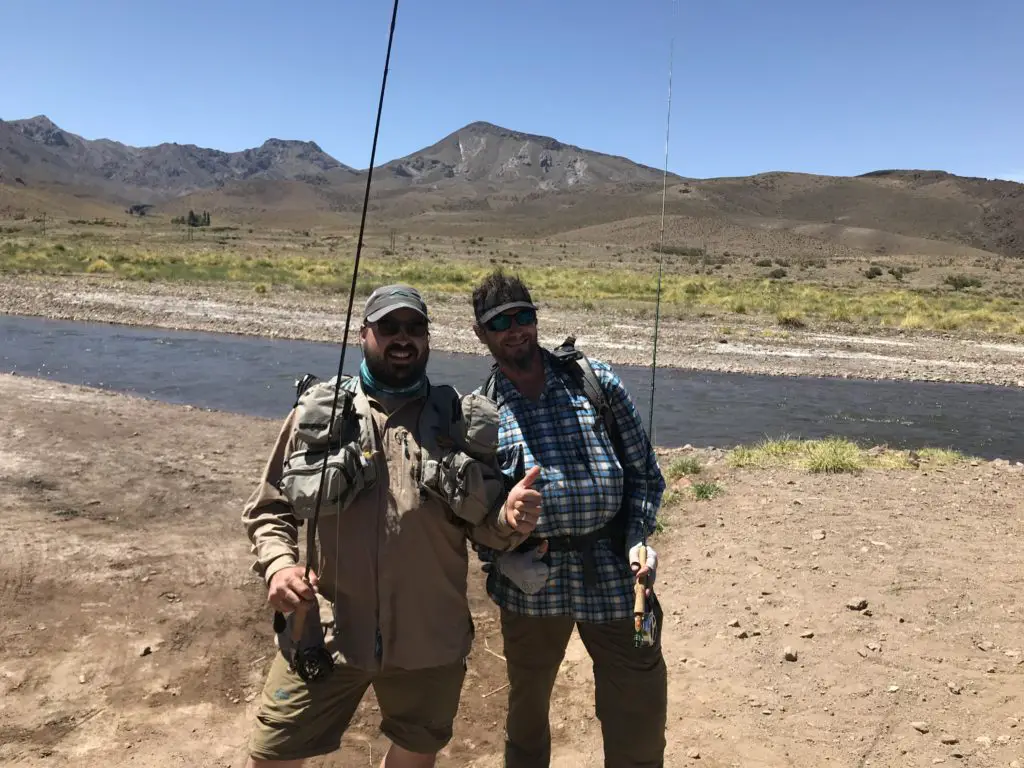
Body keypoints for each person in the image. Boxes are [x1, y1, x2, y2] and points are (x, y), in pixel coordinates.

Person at [241, 283, 542, 768]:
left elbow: (487, 526)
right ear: (364, 334)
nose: (402, 338)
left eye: (414, 328)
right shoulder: (316, 416)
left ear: (427, 338)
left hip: (430, 640)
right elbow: (269, 508)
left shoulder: (458, 423)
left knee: (414, 756)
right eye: (388, 327)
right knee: (273, 755)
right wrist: (279, 567)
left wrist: (510, 518)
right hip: (326, 632)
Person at [470, 268, 668, 768]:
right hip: (531, 585)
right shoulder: (481, 414)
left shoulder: (595, 381)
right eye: (500, 323)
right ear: (481, 334)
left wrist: (639, 536)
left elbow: (645, 473)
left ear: (536, 319)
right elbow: (471, 515)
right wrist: (502, 534)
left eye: (523, 316)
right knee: (528, 708)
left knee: (638, 701)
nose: (515, 330)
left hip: (617, 576)